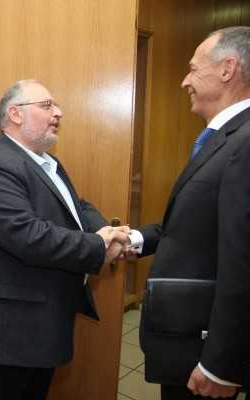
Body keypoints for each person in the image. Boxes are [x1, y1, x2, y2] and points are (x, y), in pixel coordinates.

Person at [0, 79, 130, 400]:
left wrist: (109, 232)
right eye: (47, 105)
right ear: (15, 114)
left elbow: (76, 206)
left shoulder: (46, 161)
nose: (59, 113)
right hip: (7, 333)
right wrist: (98, 246)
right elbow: (29, 236)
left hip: (40, 323)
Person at [129, 26, 250, 399]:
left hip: (207, 347)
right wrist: (134, 238)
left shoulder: (245, 142)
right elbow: (196, 226)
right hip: (190, 336)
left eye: (194, 70)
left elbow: (243, 261)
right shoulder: (224, 137)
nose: (185, 82)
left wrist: (220, 364)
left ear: (228, 69)